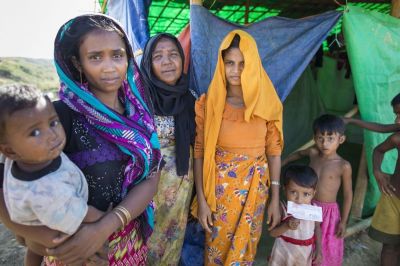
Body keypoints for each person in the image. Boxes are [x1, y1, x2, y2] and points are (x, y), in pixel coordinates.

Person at [0, 14, 163, 265]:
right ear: (78, 63)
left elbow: (153, 176)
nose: (110, 67)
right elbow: (7, 181)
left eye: (117, 55)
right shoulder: (56, 118)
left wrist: (104, 227)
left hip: (127, 245)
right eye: (96, 57)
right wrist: (32, 235)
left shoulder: (139, 112)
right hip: (76, 252)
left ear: (128, 58)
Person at [191, 30, 283, 265]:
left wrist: (275, 197)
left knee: (246, 250)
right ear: (221, 64)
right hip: (220, 195)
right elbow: (200, 152)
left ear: (253, 65)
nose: (235, 70)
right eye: (230, 62)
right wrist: (201, 200)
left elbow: (273, 151)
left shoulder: (268, 104)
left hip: (256, 192)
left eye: (243, 64)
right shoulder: (210, 103)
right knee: (216, 251)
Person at [0, 84, 107, 266]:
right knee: (79, 254)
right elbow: (86, 215)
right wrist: (105, 218)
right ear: (10, 150)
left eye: (53, 122)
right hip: (57, 228)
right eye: (35, 132)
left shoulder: (23, 158)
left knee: (33, 249)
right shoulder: (51, 190)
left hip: (32, 219)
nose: (52, 135)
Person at [140, 33, 196, 265]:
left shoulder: (191, 98)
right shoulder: (139, 98)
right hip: (144, 187)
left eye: (173, 54)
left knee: (171, 242)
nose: (167, 61)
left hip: (180, 186)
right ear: (148, 63)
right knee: (142, 240)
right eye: (158, 56)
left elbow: (198, 145)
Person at [282, 114, 352, 266]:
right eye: (320, 138)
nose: (324, 143)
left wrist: (344, 221)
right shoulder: (313, 153)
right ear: (314, 138)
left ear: (341, 139)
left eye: (330, 138)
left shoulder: (343, 166)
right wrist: (284, 161)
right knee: (303, 241)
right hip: (307, 206)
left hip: (328, 213)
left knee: (327, 247)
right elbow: (300, 153)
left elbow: (347, 195)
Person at [344, 92, 400, 266]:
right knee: (389, 246)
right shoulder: (397, 137)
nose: (397, 120)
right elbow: (378, 149)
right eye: (396, 114)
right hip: (393, 198)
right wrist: (377, 170)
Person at [269, 165, 322, 265]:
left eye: (306, 194)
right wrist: (286, 225)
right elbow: (272, 233)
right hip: (284, 252)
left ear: (314, 193)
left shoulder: (313, 210)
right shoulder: (282, 208)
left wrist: (319, 249)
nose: (299, 199)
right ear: (285, 189)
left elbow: (317, 228)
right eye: (293, 192)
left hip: (303, 255)